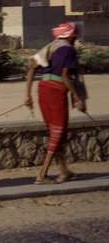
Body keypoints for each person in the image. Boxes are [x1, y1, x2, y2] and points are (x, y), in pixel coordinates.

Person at [25, 22, 87, 184]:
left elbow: (31, 68)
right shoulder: (68, 50)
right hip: (56, 91)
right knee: (58, 132)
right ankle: (42, 174)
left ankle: (63, 171)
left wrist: (28, 95)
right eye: (75, 36)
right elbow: (65, 76)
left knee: (55, 131)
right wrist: (77, 97)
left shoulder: (50, 47)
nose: (76, 39)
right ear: (71, 36)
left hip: (43, 88)